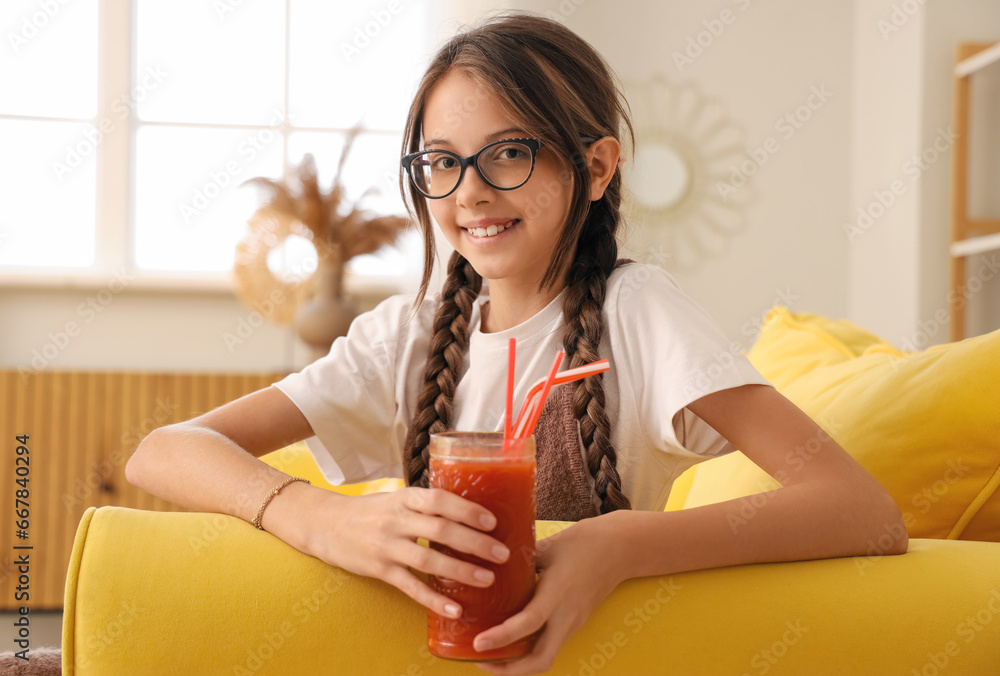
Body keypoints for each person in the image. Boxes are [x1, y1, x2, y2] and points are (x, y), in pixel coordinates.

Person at [126, 12, 907, 675]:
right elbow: (163, 451)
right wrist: (315, 516)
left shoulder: (638, 314)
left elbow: (862, 512)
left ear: (596, 167)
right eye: (442, 161)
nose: (469, 192)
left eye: (508, 151)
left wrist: (622, 544)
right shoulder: (408, 336)